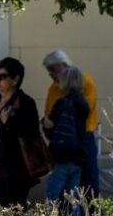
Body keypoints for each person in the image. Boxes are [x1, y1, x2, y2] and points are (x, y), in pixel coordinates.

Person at [0, 57, 41, 216]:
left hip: (14, 173)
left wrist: (9, 123)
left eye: (3, 77)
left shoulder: (25, 103)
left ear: (15, 79)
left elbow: (32, 134)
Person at [42, 50, 99, 199]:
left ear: (64, 66)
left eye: (53, 70)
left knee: (88, 182)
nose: (51, 74)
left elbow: (86, 108)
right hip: (60, 140)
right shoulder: (53, 88)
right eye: (49, 71)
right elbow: (48, 112)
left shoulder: (86, 82)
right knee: (65, 187)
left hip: (82, 137)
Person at [43, 65, 90, 216]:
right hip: (78, 157)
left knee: (52, 195)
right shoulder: (84, 104)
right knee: (73, 198)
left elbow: (52, 129)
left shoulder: (61, 103)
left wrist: (44, 123)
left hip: (61, 156)